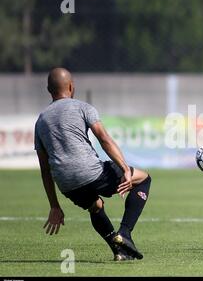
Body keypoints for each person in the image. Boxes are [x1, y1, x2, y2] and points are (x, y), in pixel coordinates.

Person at [35, 67, 152, 261]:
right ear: (71, 86)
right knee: (144, 179)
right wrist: (125, 169)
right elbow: (104, 139)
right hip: (91, 172)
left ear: (49, 90)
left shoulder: (41, 121)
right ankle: (125, 233)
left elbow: (45, 169)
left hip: (66, 184)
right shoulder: (82, 107)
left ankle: (119, 251)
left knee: (96, 206)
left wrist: (54, 205)